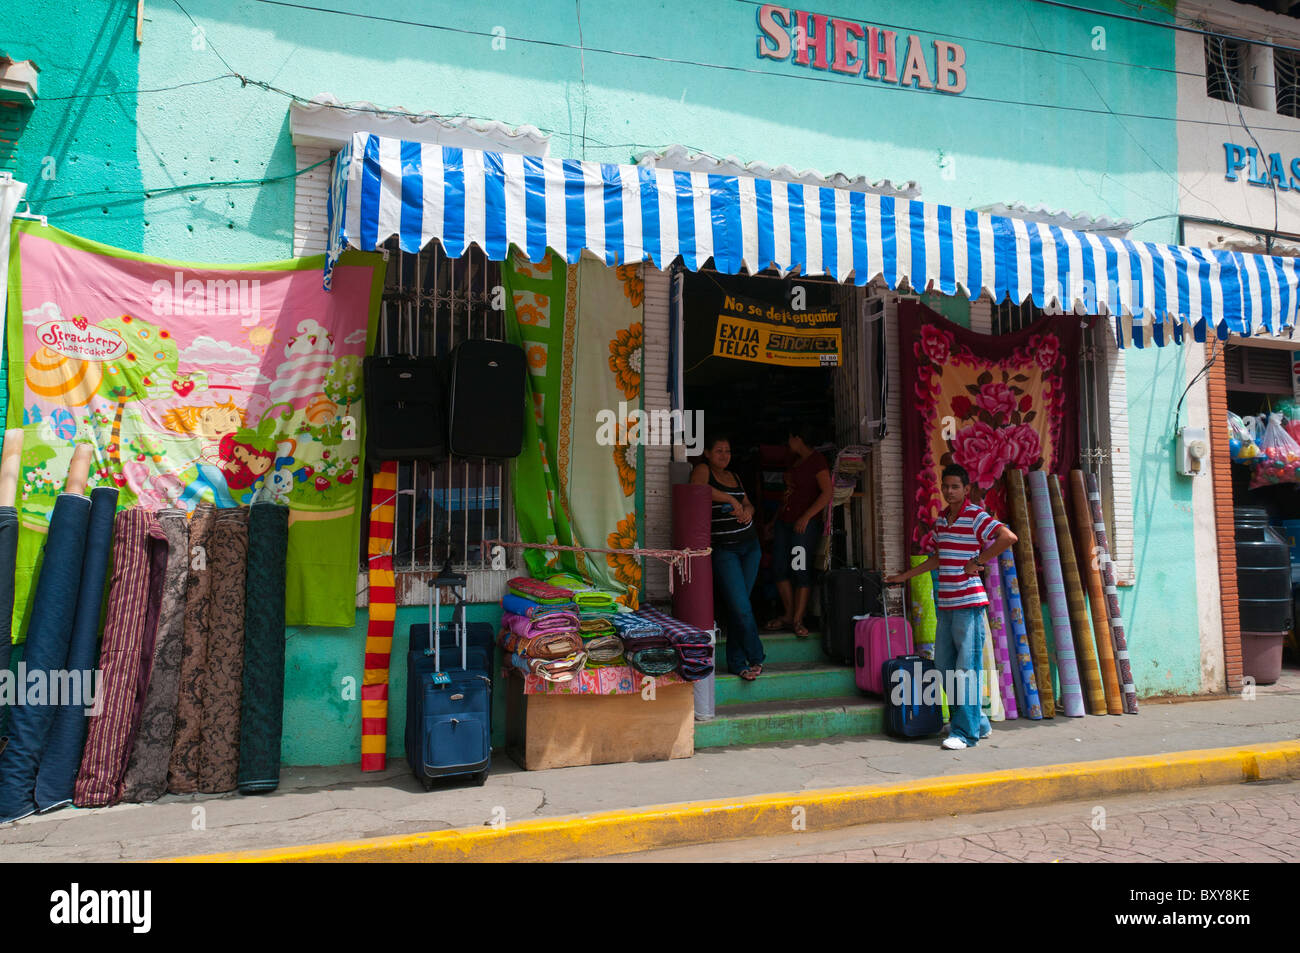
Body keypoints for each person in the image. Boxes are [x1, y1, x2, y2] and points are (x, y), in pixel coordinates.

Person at [885, 463, 1017, 750]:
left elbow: (1008, 537)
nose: (949, 491)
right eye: (945, 486)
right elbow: (937, 559)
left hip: (968, 603)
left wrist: (979, 561)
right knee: (944, 667)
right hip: (945, 604)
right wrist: (902, 577)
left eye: (955, 486)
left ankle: (964, 733)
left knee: (965, 670)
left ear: (966, 489)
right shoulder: (942, 521)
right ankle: (977, 722)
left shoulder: (975, 516)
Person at [692, 434, 765, 681]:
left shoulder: (734, 476)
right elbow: (699, 489)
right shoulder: (702, 470)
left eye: (728, 451)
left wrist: (747, 512)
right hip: (726, 550)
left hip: (750, 547)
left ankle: (736, 662)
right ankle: (756, 656)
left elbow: (749, 504)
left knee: (739, 607)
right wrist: (730, 498)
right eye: (720, 451)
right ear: (708, 453)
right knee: (741, 608)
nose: (725, 455)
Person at [766, 425, 832, 638]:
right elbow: (788, 495)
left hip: (803, 527)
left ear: (798, 437)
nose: (788, 442)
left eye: (790, 438)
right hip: (784, 523)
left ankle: (797, 619)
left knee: (799, 569)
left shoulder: (817, 461)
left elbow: (827, 493)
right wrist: (773, 521)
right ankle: (788, 614)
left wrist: (806, 517)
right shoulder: (794, 461)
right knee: (778, 568)